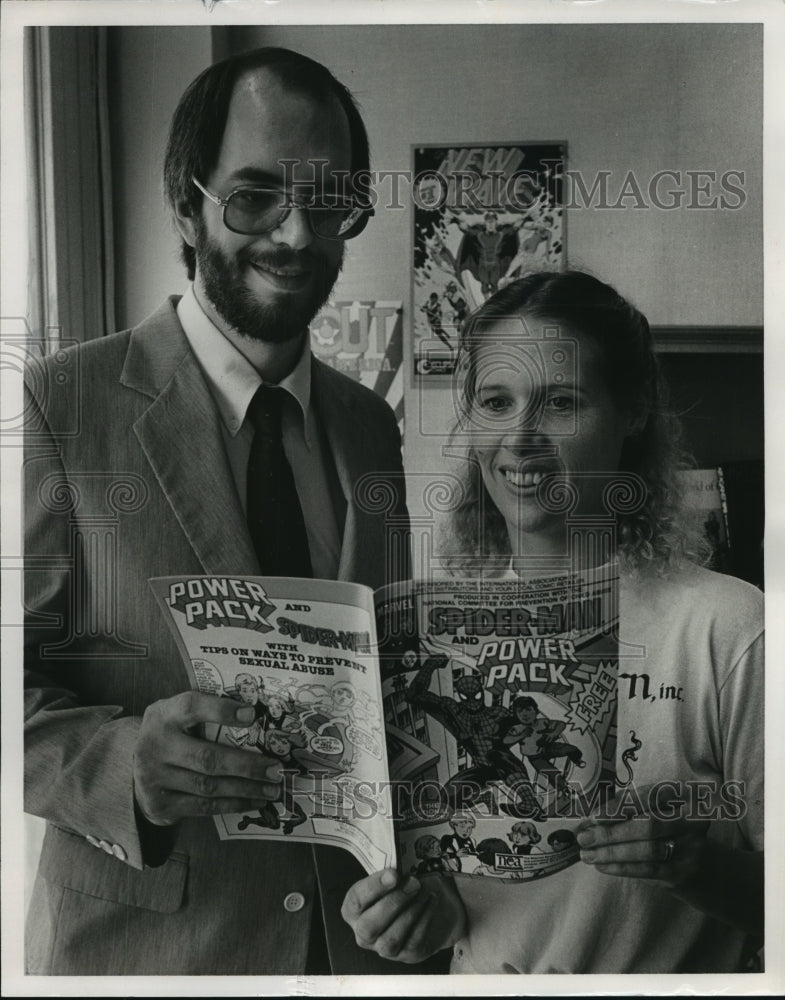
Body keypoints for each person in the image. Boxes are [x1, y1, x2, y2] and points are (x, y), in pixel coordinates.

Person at [23, 46, 424, 976]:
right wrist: (126, 766)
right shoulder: (61, 404)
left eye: (327, 205)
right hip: (151, 950)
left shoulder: (369, 425)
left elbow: (386, 682)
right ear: (186, 205)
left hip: (355, 951)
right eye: (253, 198)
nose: (294, 236)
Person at [341, 271, 763, 973]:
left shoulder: (728, 627)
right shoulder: (425, 633)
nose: (520, 438)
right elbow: (458, 900)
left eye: (561, 401)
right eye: (495, 401)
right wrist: (416, 917)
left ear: (630, 412)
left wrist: (693, 866)